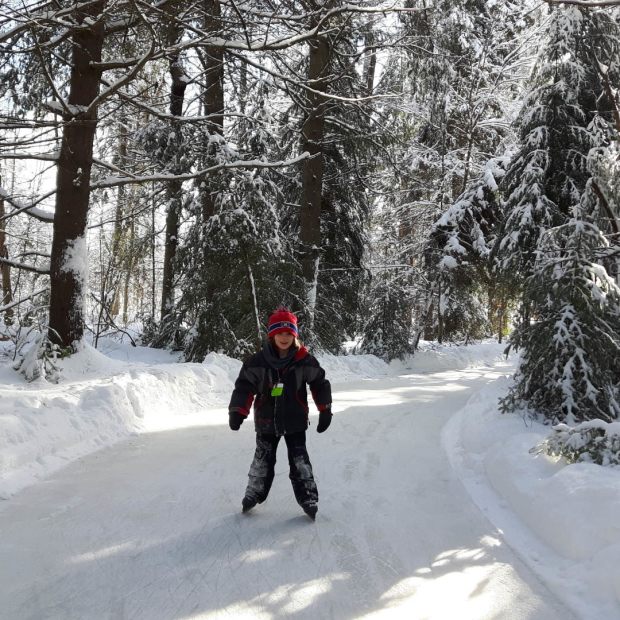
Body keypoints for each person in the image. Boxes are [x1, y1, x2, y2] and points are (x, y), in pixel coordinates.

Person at [228, 307, 332, 520]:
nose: (284, 338)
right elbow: (244, 387)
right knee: (262, 459)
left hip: (295, 420)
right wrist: (238, 410)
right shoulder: (257, 362)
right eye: (280, 333)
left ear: (294, 336)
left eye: (289, 333)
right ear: (272, 334)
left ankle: (308, 497)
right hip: (266, 420)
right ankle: (254, 492)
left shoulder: (304, 360)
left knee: (299, 459)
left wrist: (325, 409)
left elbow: (319, 383)